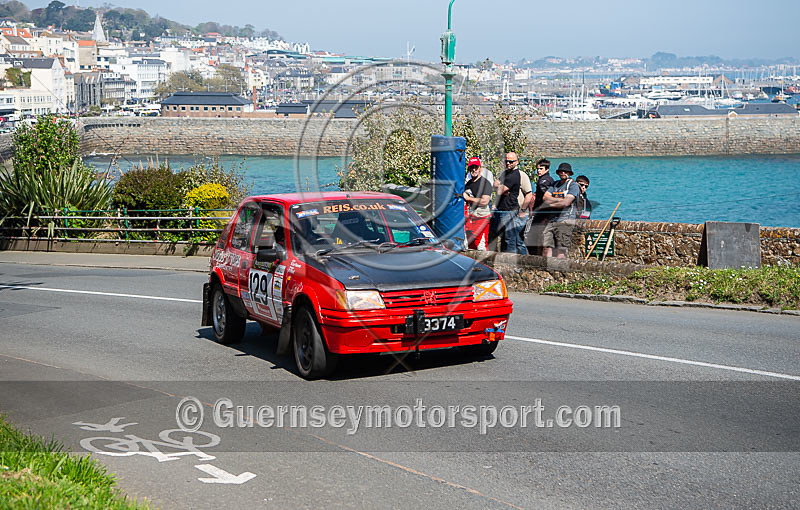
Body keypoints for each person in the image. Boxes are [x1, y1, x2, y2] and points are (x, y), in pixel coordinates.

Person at [488, 152, 532, 254]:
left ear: (517, 162)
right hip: (501, 210)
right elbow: (494, 185)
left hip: (511, 211)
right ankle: (505, 261)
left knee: (512, 239)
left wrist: (523, 210)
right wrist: (501, 187)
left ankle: (516, 263)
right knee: (503, 238)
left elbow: (498, 190)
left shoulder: (516, 175)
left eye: (511, 161)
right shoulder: (504, 173)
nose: (508, 163)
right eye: (506, 161)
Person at [541, 162, 580, 258]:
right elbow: (545, 197)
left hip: (565, 220)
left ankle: (559, 270)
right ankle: (547, 268)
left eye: (566, 171)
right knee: (546, 246)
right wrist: (560, 200)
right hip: (552, 220)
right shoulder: (555, 184)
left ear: (570, 173)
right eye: (561, 171)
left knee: (561, 248)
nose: (563, 173)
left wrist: (551, 203)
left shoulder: (573, 185)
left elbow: (566, 203)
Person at [524, 158, 555, 255]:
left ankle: (535, 258)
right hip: (543, 214)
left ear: (547, 169)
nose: (538, 171)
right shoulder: (549, 180)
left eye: (541, 169)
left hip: (542, 214)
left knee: (533, 237)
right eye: (537, 169)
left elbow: (545, 197)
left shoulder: (544, 181)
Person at [463, 157, 493, 250]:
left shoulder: (485, 183)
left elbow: (485, 201)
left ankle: (485, 264)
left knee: (481, 245)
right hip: (471, 216)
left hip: (482, 216)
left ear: (480, 168)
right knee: (470, 244)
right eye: (471, 167)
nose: (474, 170)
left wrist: (469, 198)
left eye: (476, 167)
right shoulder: (468, 184)